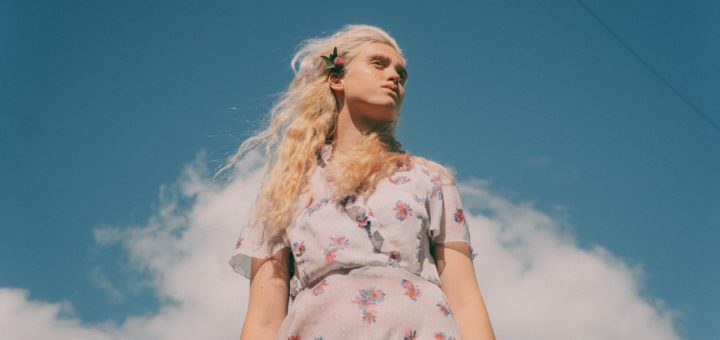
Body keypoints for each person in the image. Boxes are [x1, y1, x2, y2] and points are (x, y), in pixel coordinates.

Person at [220, 24, 495, 340]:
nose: (394, 77)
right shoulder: (286, 188)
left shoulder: (430, 179)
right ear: (337, 79)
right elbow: (264, 320)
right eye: (379, 63)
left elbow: (466, 301)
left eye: (401, 75)